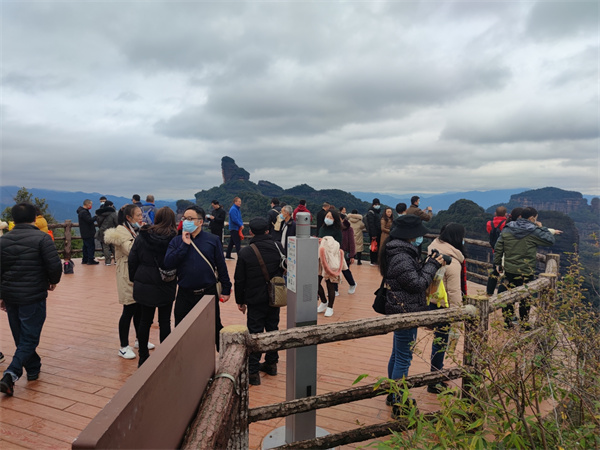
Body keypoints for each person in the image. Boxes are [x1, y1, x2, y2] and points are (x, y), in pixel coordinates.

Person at [379, 214, 444, 416]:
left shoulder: (399, 250)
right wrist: (433, 266)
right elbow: (417, 284)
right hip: (406, 310)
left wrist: (428, 262)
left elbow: (410, 277)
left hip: (402, 308)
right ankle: (400, 403)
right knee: (403, 358)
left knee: (397, 354)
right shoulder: (401, 255)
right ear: (410, 234)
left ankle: (393, 394)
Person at [0, 203, 62, 396]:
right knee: (29, 337)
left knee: (21, 335)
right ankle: (11, 374)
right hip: (33, 295)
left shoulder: (3, 240)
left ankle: (33, 367)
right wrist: (52, 281)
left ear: (13, 219)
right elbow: (54, 266)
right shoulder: (42, 238)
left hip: (10, 295)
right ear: (35, 218)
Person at [164, 205, 232, 351]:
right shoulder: (177, 241)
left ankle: (225, 358)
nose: (186, 221)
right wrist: (184, 245)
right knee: (181, 328)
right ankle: (184, 358)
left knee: (214, 325)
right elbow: (168, 263)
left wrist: (226, 288)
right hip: (184, 293)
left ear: (200, 222)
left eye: (190, 219)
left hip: (208, 292)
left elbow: (221, 266)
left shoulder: (212, 240)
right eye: (184, 218)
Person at [234, 218, 285, 386]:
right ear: (268, 231)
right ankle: (272, 364)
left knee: (255, 333)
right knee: (273, 329)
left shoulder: (246, 252)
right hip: (274, 296)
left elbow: (239, 279)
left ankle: (253, 371)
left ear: (251, 232)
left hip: (255, 298)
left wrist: (240, 300)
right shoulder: (278, 246)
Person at [494, 207, 561, 329]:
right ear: (531, 218)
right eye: (536, 218)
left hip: (509, 269)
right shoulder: (533, 231)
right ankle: (524, 325)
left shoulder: (508, 228)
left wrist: (497, 263)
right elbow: (550, 240)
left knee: (508, 295)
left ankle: (508, 323)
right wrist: (541, 227)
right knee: (525, 297)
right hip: (526, 270)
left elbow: (499, 247)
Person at [128, 207, 178, 367]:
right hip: (166, 283)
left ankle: (143, 356)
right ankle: (165, 356)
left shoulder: (143, 235)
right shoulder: (175, 238)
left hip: (144, 282)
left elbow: (132, 259)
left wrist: (134, 278)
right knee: (165, 321)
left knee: (145, 320)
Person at [426, 223, 466, 394]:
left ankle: (436, 375)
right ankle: (435, 379)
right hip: (445, 306)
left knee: (438, 340)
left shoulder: (433, 251)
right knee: (441, 342)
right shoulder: (453, 262)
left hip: (432, 301)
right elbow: (454, 292)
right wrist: (459, 314)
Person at [104, 204, 147, 359]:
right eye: (138, 215)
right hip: (126, 274)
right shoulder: (122, 231)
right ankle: (123, 346)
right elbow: (131, 250)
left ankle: (139, 340)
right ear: (129, 217)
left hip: (136, 273)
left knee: (139, 308)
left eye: (141, 215)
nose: (141, 218)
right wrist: (143, 234)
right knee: (128, 309)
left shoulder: (133, 229)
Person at [317, 210, 346, 317]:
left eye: (331, 217)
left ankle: (330, 307)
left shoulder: (337, 231)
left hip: (331, 258)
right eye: (327, 216)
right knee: (316, 282)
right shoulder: (322, 228)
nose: (328, 218)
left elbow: (338, 245)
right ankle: (324, 301)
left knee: (330, 284)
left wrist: (326, 242)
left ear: (335, 219)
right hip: (320, 258)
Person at [485, 206, 508, 296]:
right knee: (504, 274)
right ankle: (501, 294)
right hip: (504, 251)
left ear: (495, 213)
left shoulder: (489, 223)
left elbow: (489, 232)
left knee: (494, 271)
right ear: (505, 214)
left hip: (494, 250)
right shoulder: (506, 223)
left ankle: (489, 292)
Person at [95, 200, 118, 265]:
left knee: (105, 246)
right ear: (110, 205)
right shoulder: (113, 213)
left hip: (103, 230)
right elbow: (116, 222)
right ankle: (116, 260)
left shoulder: (100, 213)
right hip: (112, 230)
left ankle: (107, 262)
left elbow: (98, 222)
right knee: (113, 246)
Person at [77, 199, 99, 265]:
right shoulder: (84, 212)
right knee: (90, 246)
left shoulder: (82, 211)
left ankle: (85, 259)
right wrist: (95, 217)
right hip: (88, 232)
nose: (91, 206)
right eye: (90, 204)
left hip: (84, 232)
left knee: (86, 246)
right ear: (87, 204)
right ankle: (90, 260)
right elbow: (89, 220)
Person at [340, 213, 358, 294]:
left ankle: (352, 284)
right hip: (335, 252)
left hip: (345, 253)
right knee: (334, 270)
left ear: (343, 219)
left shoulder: (349, 229)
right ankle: (335, 290)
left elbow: (352, 242)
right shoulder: (335, 228)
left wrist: (352, 255)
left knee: (345, 270)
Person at [365, 198, 382, 265]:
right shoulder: (371, 213)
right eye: (376, 204)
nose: (377, 205)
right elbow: (371, 224)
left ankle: (376, 260)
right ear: (373, 205)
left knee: (377, 246)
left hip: (379, 233)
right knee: (373, 247)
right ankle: (373, 260)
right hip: (374, 233)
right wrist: (373, 235)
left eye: (378, 204)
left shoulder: (377, 212)